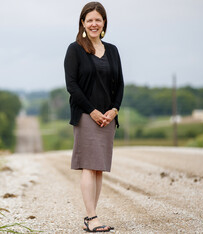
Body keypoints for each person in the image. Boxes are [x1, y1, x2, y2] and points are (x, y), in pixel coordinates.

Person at [64, 1, 124, 232]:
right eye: (89, 20)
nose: (94, 24)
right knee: (89, 167)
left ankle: (92, 216)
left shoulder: (113, 50)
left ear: (104, 22)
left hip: (108, 117)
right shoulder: (75, 49)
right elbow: (72, 85)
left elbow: (119, 84)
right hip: (87, 115)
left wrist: (115, 109)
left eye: (98, 19)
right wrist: (92, 111)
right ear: (82, 23)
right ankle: (92, 218)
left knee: (99, 168)